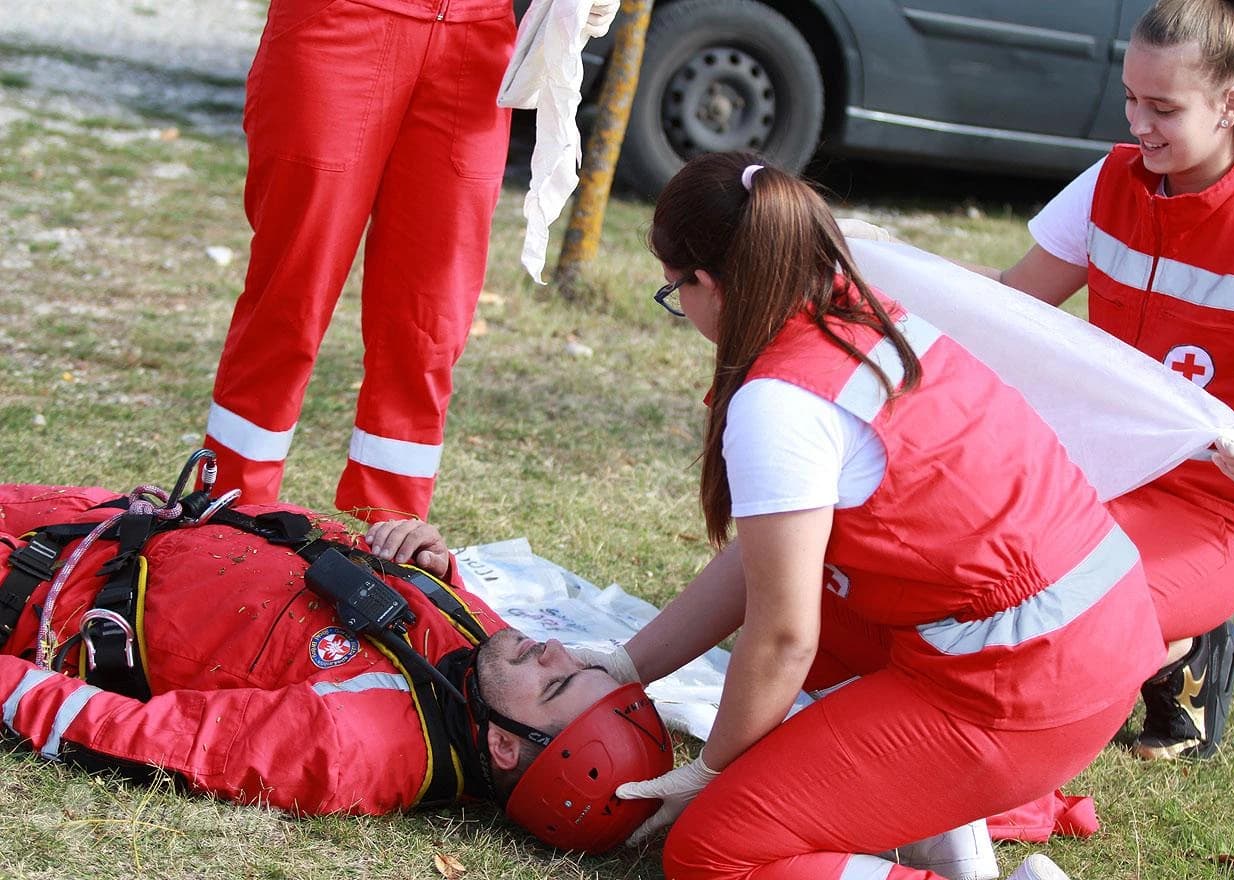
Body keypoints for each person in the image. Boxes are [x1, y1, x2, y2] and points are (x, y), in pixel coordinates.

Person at [574, 152, 1168, 880]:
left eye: (674, 291)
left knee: (712, 852)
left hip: (1026, 684)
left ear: (710, 284)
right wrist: (631, 665)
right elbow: (770, 558)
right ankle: (937, 829)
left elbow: (783, 639)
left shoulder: (779, 402)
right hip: (1096, 636)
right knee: (810, 598)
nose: (681, 310)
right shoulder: (857, 304)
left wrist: (714, 771)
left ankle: (937, 813)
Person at [0, 471, 669, 854]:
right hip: (105, 520)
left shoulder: (355, 746)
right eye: (580, 664)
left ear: (502, 745)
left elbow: (126, 737)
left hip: (37, 588)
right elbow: (421, 607)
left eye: (556, 682)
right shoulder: (490, 670)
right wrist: (427, 561)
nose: (552, 649)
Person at [964, 0, 1234, 760]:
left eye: (1163, 108)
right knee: (976, 589)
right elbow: (1006, 304)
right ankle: (1168, 645)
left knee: (1063, 626)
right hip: (1095, 476)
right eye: (1131, 98)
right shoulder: (1109, 181)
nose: (1139, 123)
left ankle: (1184, 644)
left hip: (1217, 508)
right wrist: (873, 271)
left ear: (1230, 105)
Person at [202, 0, 619, 523]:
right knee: (291, 291)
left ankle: (393, 531)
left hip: (477, 37)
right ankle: (230, 512)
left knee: (431, 318)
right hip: (343, 22)